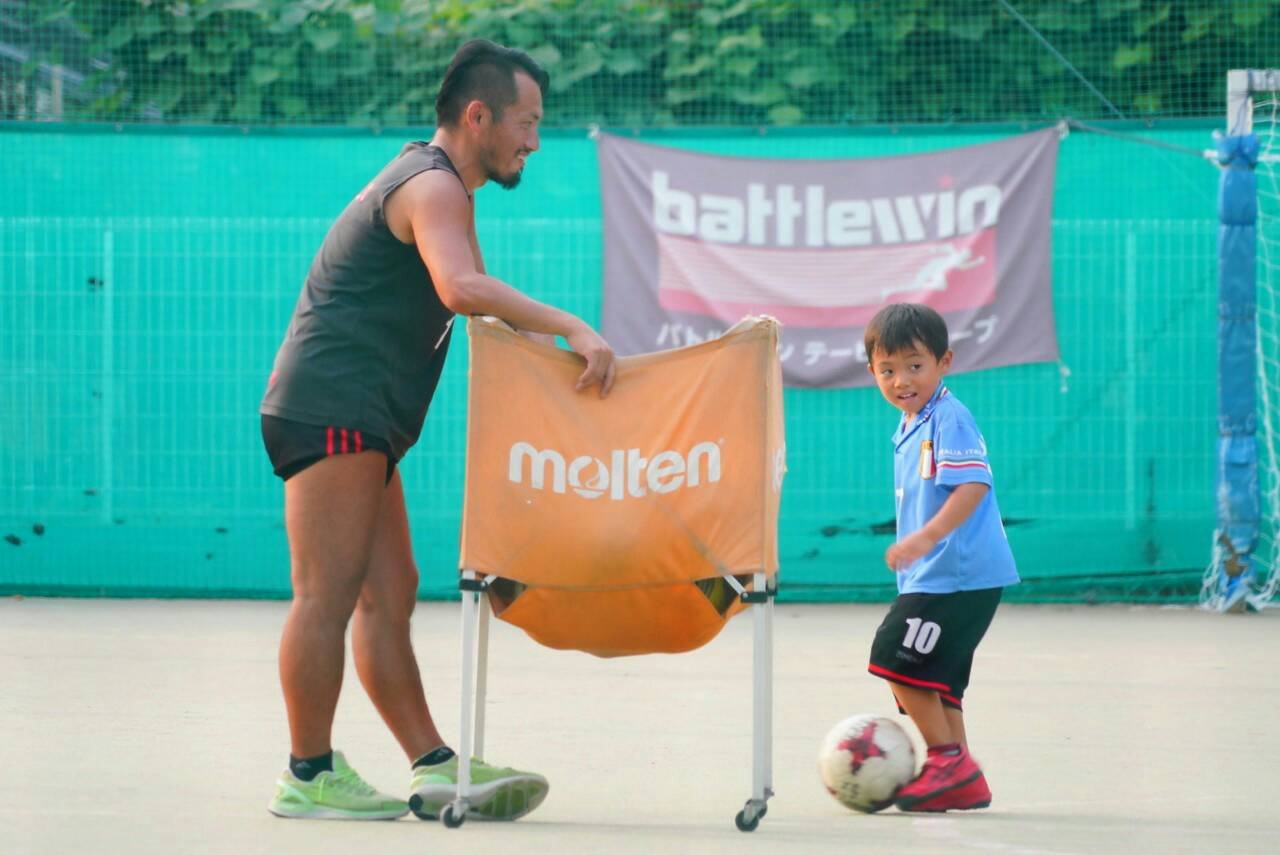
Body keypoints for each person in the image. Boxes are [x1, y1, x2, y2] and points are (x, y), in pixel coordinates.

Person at [259, 39, 615, 822]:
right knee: (326, 593)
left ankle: (434, 764)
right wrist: (572, 324)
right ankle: (307, 772)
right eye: (527, 122)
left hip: (360, 417)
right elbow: (460, 288)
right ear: (478, 116)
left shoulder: (443, 187)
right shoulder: (432, 184)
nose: (535, 140)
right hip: (333, 407)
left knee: (390, 592)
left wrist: (561, 362)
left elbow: (480, 305)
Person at [862, 303, 1018, 812]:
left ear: (944, 361)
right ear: (871, 371)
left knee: (895, 659)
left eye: (915, 365)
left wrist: (926, 538)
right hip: (938, 576)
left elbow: (972, 485)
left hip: (956, 574)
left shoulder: (949, 417)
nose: (901, 380)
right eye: (887, 370)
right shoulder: (910, 424)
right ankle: (961, 776)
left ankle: (947, 761)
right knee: (938, 682)